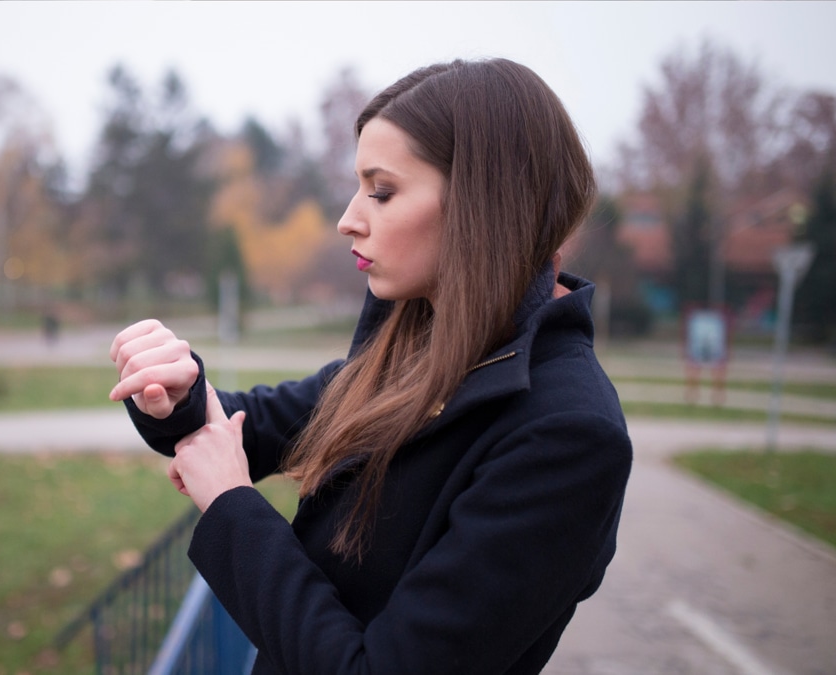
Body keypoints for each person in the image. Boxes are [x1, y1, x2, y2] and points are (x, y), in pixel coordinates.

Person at [108, 58, 632, 675]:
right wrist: (177, 392)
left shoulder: (569, 436)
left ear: (484, 204)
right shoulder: (420, 342)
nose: (348, 218)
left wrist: (231, 504)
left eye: (381, 191)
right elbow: (259, 423)